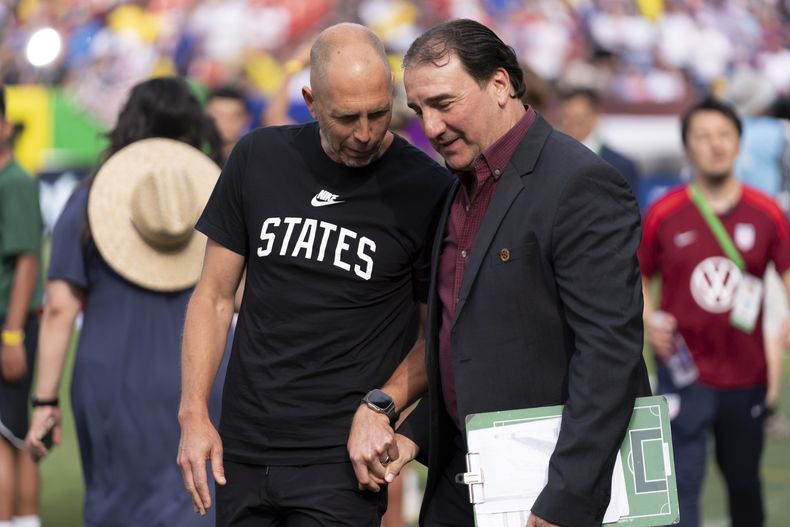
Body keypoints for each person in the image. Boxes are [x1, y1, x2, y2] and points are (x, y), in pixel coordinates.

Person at [348, 19, 650, 527]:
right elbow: (468, 346)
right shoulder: (457, 186)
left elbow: (608, 356)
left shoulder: (581, 184)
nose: (432, 126)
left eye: (444, 103)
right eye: (420, 110)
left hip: (548, 489)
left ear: (501, 84)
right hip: (464, 479)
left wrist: (567, 497)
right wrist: (413, 435)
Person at [176, 23, 451, 526]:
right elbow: (214, 297)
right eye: (347, 117)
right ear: (310, 100)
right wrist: (193, 414)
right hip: (242, 450)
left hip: (343, 459)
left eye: (378, 112)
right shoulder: (257, 158)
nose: (366, 132)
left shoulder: (428, 189)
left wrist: (382, 406)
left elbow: (439, 333)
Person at [25, 76, 225, 527]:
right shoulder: (219, 198)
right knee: (198, 498)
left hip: (110, 374)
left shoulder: (86, 199)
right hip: (204, 367)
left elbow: (59, 309)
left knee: (118, 503)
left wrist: (44, 401)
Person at [639, 97, 790, 527]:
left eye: (724, 135)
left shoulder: (767, 213)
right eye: (703, 137)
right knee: (680, 487)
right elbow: (638, 277)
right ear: (688, 147)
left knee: (744, 486)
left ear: (739, 143)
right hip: (682, 376)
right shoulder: (664, 213)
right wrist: (649, 319)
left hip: (746, 376)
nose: (715, 145)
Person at [0, 86, 43, 527]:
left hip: (9, 323)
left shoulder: (14, 180)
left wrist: (12, 335)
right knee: (14, 435)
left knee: (4, 438)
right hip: (12, 323)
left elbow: (28, 259)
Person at [555, 87, 641, 198]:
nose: (572, 125)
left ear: (594, 116)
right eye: (566, 118)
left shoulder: (620, 166)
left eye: (579, 118)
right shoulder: (551, 161)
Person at [206, 86, 252, 164]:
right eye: (219, 116)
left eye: (233, 116)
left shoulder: (251, 161)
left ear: (246, 119)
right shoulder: (193, 156)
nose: (226, 122)